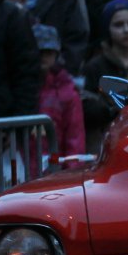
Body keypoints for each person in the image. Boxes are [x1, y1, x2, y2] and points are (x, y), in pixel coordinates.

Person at [81, 0, 128, 152]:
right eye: (118, 24)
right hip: (105, 143)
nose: (126, 30)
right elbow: (86, 107)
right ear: (107, 29)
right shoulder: (94, 67)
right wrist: (111, 110)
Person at [34, 24, 85, 157]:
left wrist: (72, 167)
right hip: (23, 164)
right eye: (39, 51)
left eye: (48, 52)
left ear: (56, 54)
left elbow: (74, 139)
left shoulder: (67, 92)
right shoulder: (21, 89)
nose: (43, 56)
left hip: (55, 164)